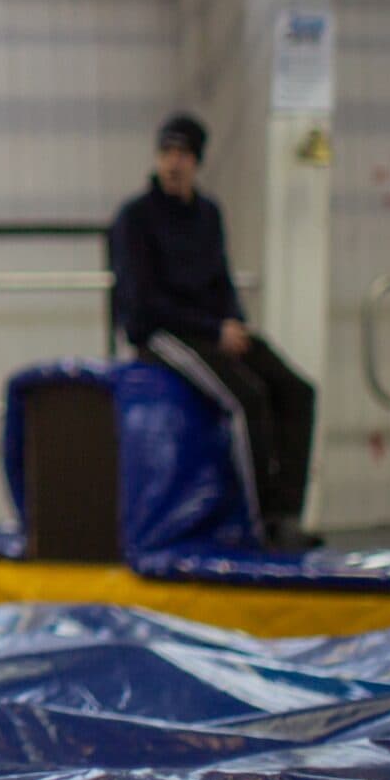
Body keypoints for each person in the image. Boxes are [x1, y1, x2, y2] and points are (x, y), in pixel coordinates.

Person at [109, 113, 321, 553]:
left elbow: (221, 280)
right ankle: (261, 525)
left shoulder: (208, 213)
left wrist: (235, 325)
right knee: (247, 399)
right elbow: (142, 305)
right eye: (167, 153)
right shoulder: (135, 218)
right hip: (161, 333)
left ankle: (287, 512)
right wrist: (212, 328)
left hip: (212, 329)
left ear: (196, 162)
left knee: (297, 390)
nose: (173, 163)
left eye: (182, 155)